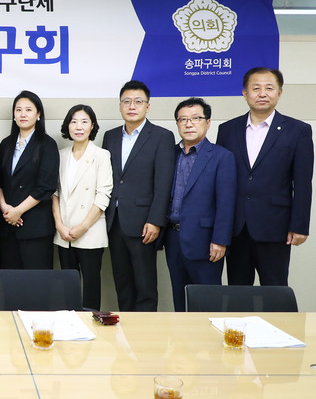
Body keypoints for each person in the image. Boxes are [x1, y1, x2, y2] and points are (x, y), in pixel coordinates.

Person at [216, 67, 314, 286]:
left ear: (279, 93)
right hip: (236, 227)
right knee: (238, 291)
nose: (262, 94)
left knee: (275, 290)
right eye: (256, 88)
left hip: (275, 226)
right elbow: (221, 180)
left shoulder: (298, 130)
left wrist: (299, 225)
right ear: (245, 93)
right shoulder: (227, 129)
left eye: (269, 88)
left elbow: (303, 183)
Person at [102, 80, 175, 311]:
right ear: (120, 106)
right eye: (127, 101)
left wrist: (155, 220)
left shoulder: (162, 136)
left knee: (145, 286)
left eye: (138, 101)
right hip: (115, 221)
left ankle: (146, 331)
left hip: (144, 223)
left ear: (147, 106)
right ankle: (125, 328)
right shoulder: (110, 136)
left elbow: (163, 183)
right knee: (122, 284)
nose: (132, 106)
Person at [161, 98, 236, 311]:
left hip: (206, 242)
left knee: (207, 303)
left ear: (208, 122)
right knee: (179, 301)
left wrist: (220, 240)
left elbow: (226, 202)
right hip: (173, 239)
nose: (189, 124)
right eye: (183, 119)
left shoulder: (221, 156)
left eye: (196, 118)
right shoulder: (169, 153)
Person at [52, 104, 112, 311]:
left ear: (92, 126)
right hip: (64, 231)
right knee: (68, 287)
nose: (79, 126)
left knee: (91, 287)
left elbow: (103, 194)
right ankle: (70, 323)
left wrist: (83, 226)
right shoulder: (60, 155)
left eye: (84, 121)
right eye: (74, 121)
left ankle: (91, 324)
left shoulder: (101, 155)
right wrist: (59, 225)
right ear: (67, 126)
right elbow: (55, 193)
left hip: (90, 230)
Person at [0, 90, 59, 269]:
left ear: (38, 114)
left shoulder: (47, 144)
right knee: (10, 281)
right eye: (18, 110)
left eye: (28, 110)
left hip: (35, 227)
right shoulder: (6, 144)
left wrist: (18, 211)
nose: (22, 114)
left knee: (37, 282)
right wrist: (6, 209)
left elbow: (46, 186)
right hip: (8, 225)